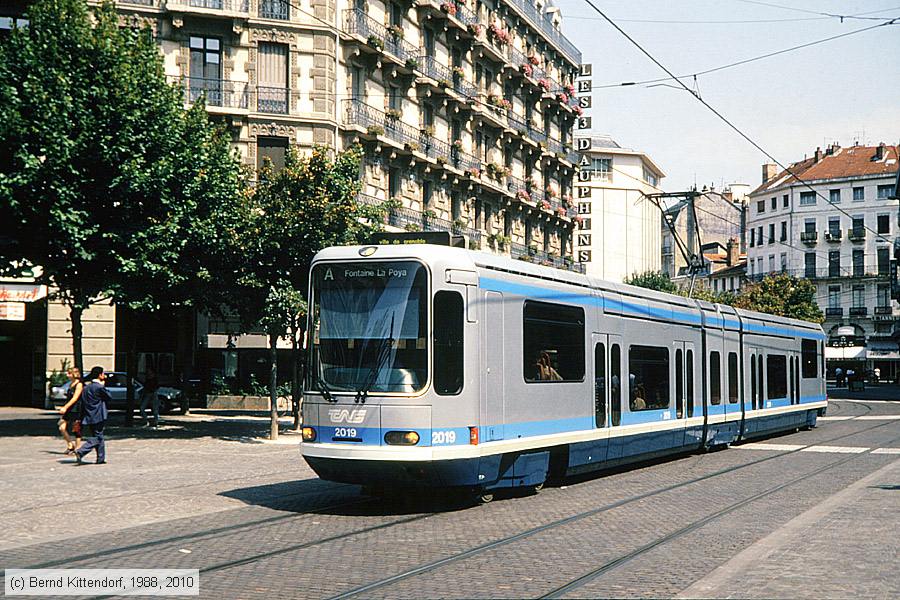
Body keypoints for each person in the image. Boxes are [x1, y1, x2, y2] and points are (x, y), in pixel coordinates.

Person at [74, 366, 111, 465]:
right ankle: (81, 451)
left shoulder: (86, 388)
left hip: (88, 415)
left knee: (98, 435)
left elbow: (82, 403)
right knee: (98, 437)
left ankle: (100, 458)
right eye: (103, 374)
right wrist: (103, 386)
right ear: (99, 375)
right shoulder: (99, 387)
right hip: (99, 414)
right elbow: (108, 397)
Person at [57, 367, 84, 454]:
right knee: (61, 427)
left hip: (76, 409)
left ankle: (78, 448)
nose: (67, 375)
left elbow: (75, 398)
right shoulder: (71, 384)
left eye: (69, 373)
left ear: (73, 374)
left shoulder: (79, 384)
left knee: (76, 428)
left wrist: (65, 407)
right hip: (69, 409)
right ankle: (70, 444)